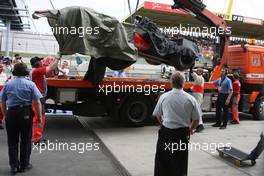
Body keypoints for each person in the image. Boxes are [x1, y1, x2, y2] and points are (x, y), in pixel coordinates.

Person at [153, 71, 201, 176]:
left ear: (171, 82)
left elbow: (158, 115)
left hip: (166, 133)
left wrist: (162, 124)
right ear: (183, 83)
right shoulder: (191, 99)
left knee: (162, 162)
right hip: (182, 134)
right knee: (180, 163)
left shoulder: (164, 97)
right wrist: (190, 129)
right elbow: (196, 120)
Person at [0, 63, 42, 174]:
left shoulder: (8, 84)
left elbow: (2, 101)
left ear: (14, 72)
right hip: (26, 113)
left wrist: (5, 115)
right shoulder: (31, 84)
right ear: (26, 72)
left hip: (11, 113)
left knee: (12, 141)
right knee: (26, 140)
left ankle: (14, 166)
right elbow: (37, 102)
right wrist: (39, 117)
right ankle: (24, 165)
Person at [30, 56, 59, 144]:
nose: (42, 62)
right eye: (40, 61)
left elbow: (53, 71)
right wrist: (58, 58)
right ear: (37, 63)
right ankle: (36, 139)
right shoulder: (37, 70)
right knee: (39, 118)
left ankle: (37, 137)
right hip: (37, 98)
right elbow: (51, 68)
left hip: (37, 97)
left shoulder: (36, 71)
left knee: (38, 117)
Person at [190, 67, 205, 132]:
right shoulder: (199, 78)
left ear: (201, 72)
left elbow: (196, 77)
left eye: (198, 71)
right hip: (197, 95)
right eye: (197, 71)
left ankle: (200, 125)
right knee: (197, 110)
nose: (197, 71)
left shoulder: (200, 78)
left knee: (197, 110)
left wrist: (191, 71)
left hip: (198, 96)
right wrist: (192, 88)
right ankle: (199, 124)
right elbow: (196, 85)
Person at [0, 64, 8, 129]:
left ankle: (0, 122)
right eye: (0, 67)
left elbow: (5, 83)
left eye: (2, 67)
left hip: (2, 91)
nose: (1, 68)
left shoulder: (4, 74)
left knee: (1, 107)